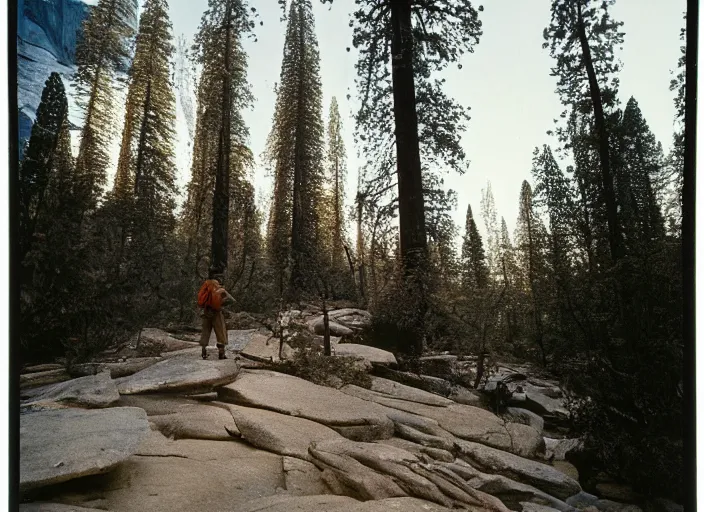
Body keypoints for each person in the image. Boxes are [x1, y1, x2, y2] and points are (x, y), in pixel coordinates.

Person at [198, 276, 235, 360]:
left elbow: (200, 302)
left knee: (205, 331)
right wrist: (221, 304)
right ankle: (221, 353)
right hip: (217, 312)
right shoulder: (220, 289)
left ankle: (204, 352)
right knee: (221, 331)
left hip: (206, 312)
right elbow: (232, 300)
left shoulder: (206, 287)